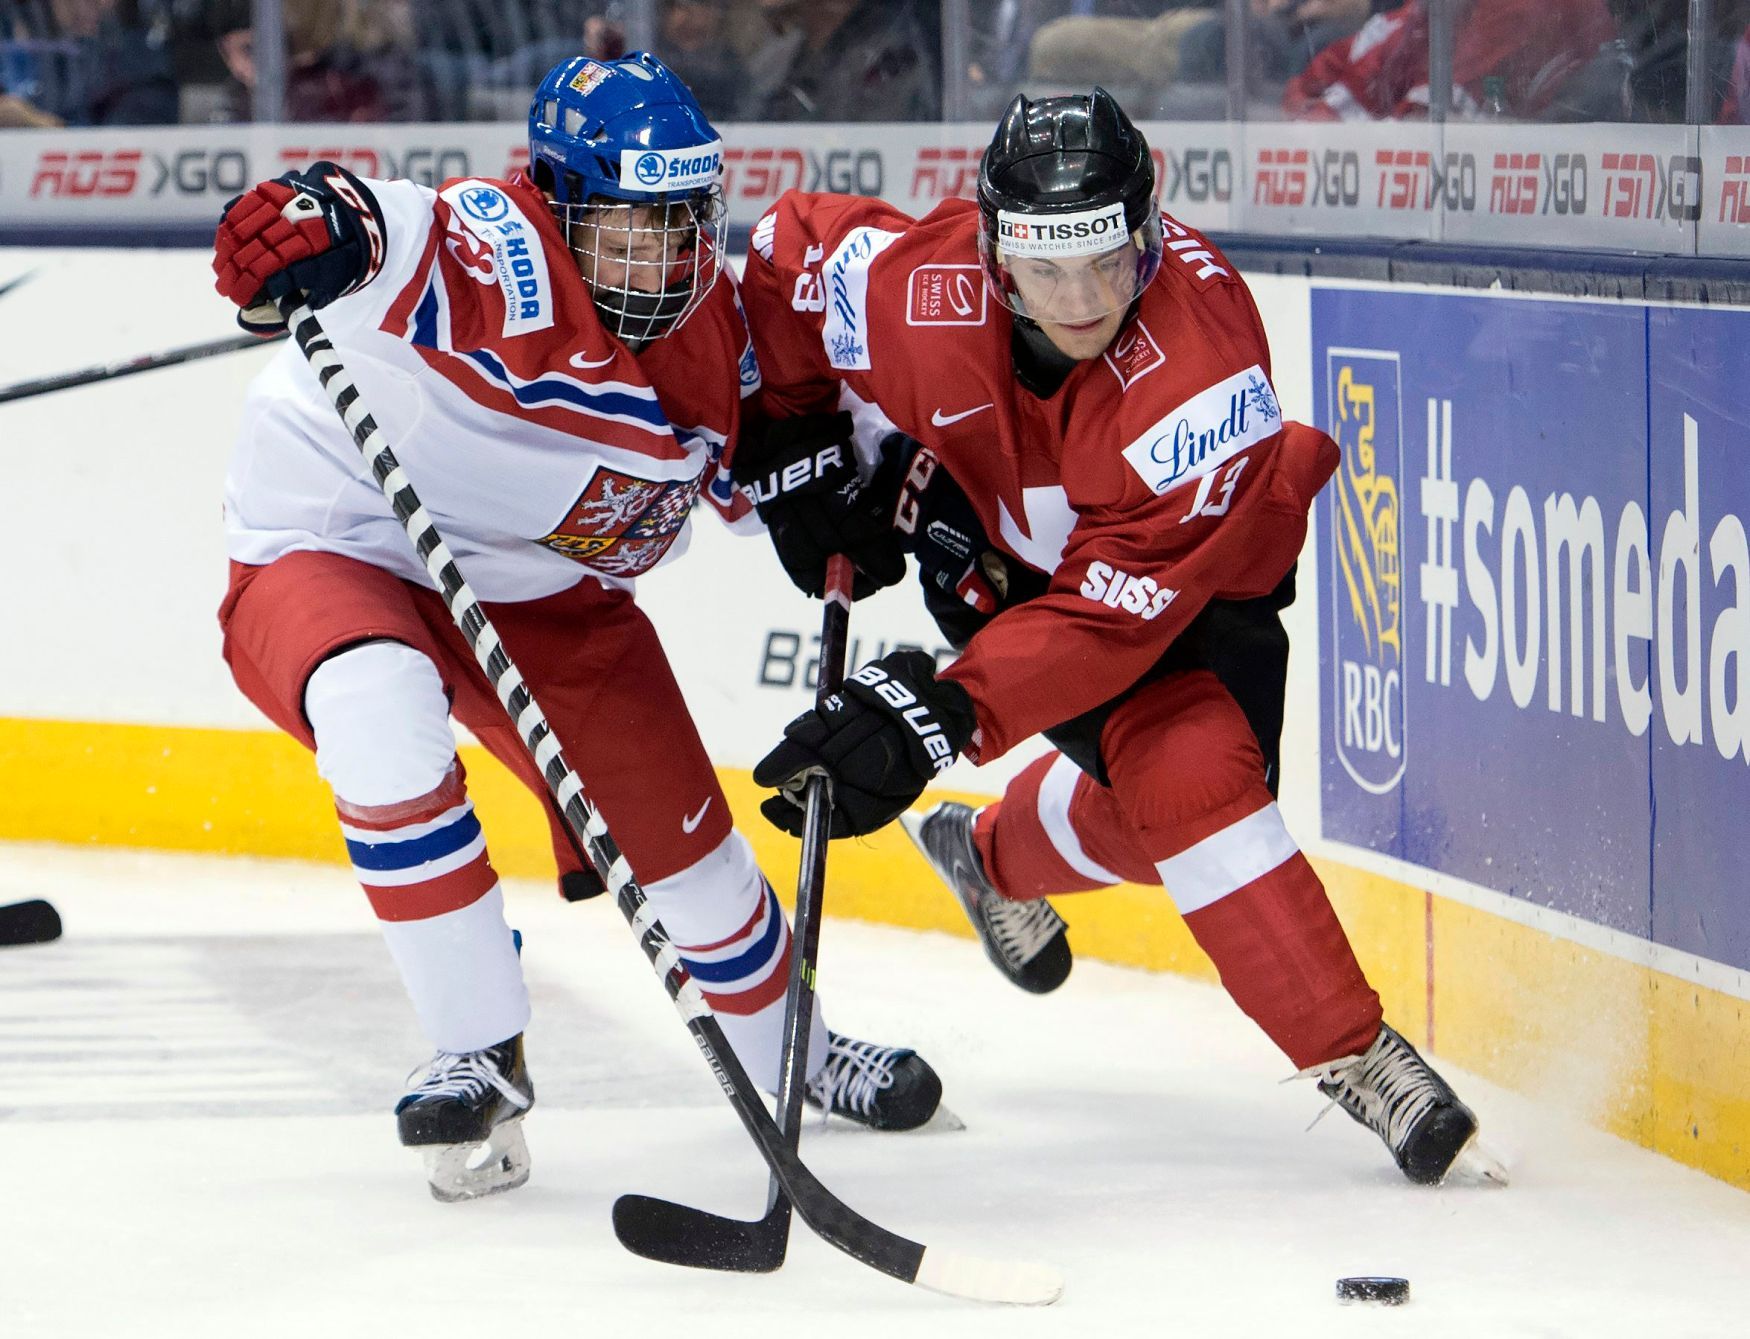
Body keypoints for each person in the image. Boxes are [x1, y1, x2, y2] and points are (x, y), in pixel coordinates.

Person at [209, 52, 943, 1202]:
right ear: (557, 205)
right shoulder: (496, 249)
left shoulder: (721, 327)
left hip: (547, 589)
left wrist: (843, 490)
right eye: (624, 228)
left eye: (679, 225)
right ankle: (476, 1050)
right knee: (373, 708)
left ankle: (789, 1056)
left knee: (691, 863)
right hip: (343, 527)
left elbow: (775, 470)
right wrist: (315, 218)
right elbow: (391, 222)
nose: (658, 259)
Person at [732, 87, 1496, 1186]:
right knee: (1192, 781)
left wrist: (939, 713)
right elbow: (784, 252)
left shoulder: (1201, 371)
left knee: (1167, 817)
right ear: (996, 257)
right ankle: (1357, 1054)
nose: (1081, 298)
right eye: (1045, 268)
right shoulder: (919, 294)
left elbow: (1107, 616)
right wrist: (792, 430)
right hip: (997, 550)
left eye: (1107, 259)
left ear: (1146, 231)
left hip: (1187, 571)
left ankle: (988, 853)